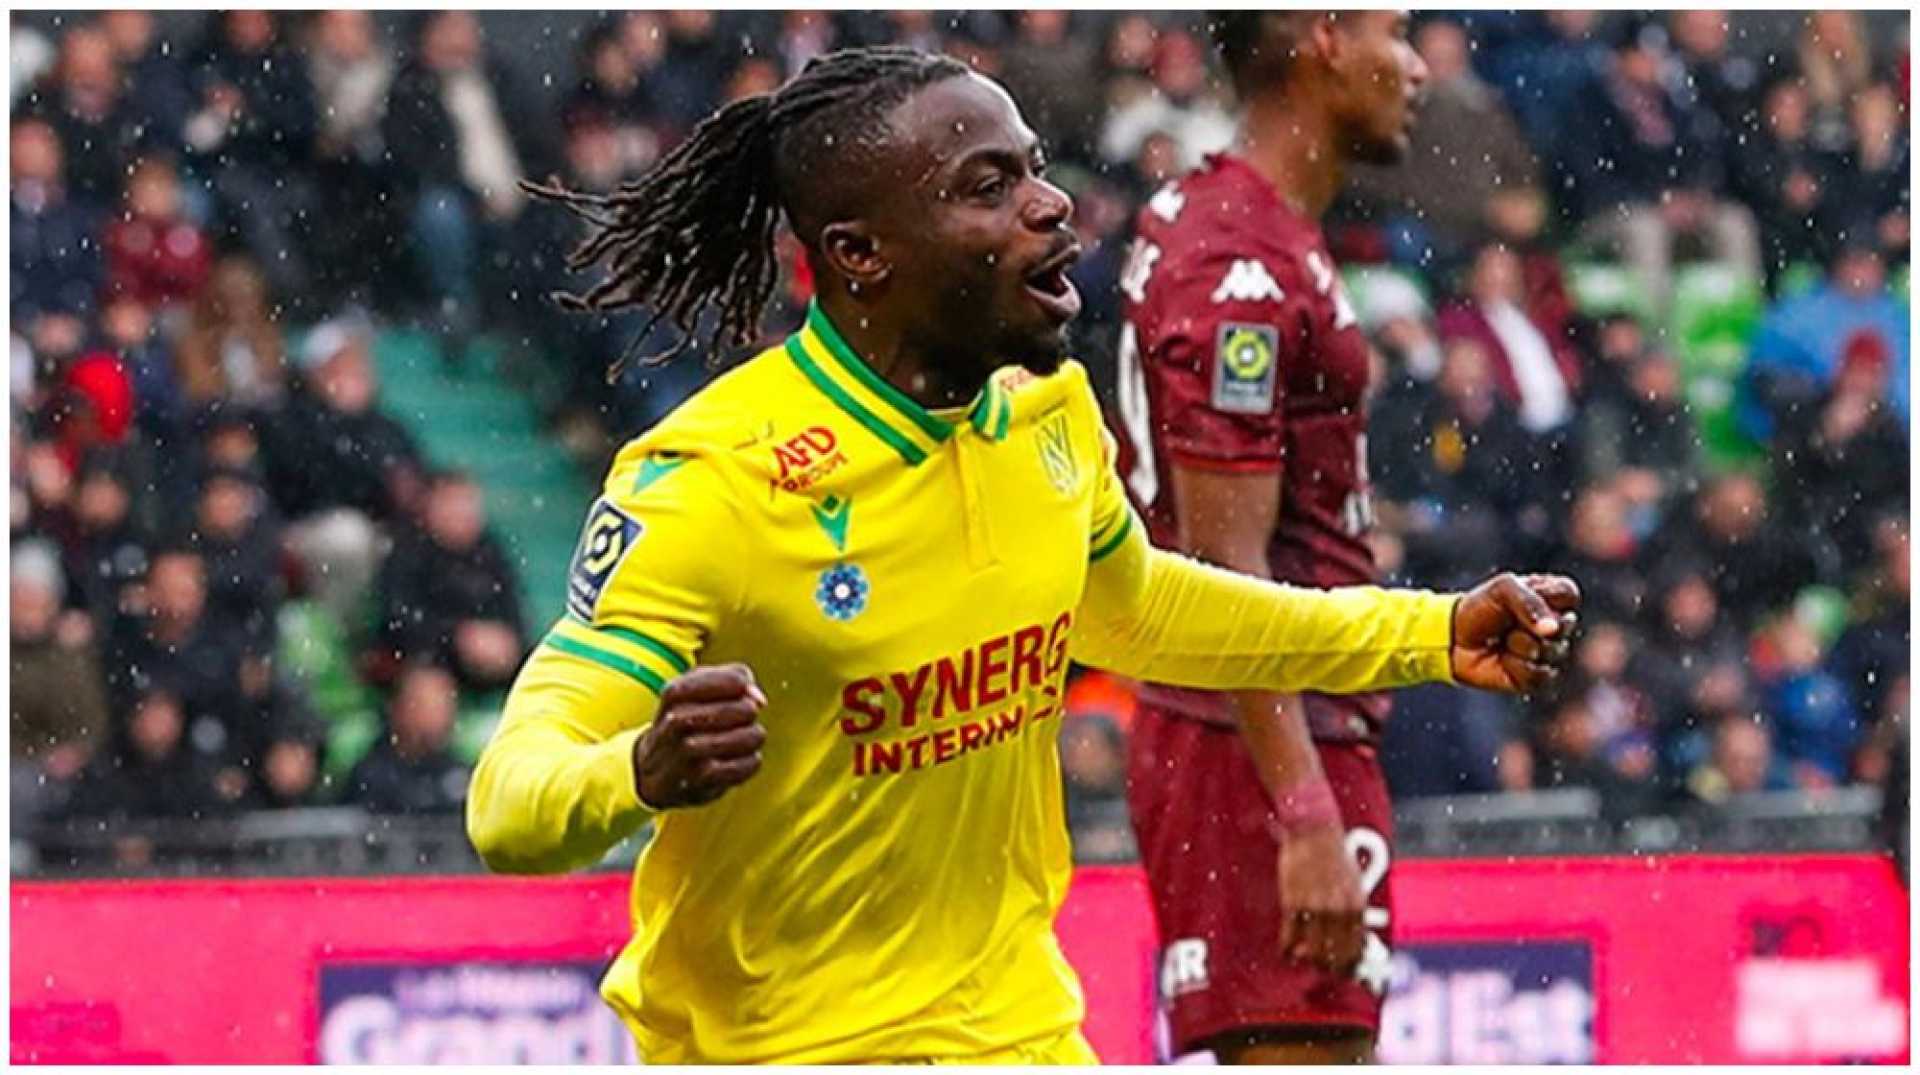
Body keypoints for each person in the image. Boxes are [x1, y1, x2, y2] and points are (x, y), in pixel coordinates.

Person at [465, 46, 1580, 1065]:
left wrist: (1431, 630)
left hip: (1016, 1028)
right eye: (988, 187)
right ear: (859, 254)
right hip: (783, 1046)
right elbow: (508, 804)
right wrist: (638, 770)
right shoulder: (712, 482)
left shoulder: (1047, 416)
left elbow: (1146, 610)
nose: (1050, 205)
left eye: (1036, 170)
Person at [1114, 12, 1444, 1063]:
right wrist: (1301, 806)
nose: (1418, 67)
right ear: (1325, 40)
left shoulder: (1242, 222)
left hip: (1268, 719)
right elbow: (1225, 564)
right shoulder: (1237, 256)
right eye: (1397, 32)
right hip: (1253, 740)